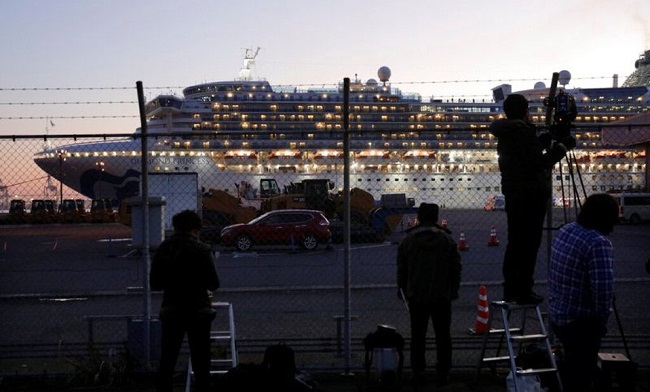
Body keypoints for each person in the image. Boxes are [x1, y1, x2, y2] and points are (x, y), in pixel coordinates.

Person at [489, 93, 576, 304]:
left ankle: (511, 290)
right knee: (529, 245)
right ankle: (524, 291)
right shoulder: (522, 132)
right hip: (531, 195)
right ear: (525, 110)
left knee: (515, 243)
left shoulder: (509, 131)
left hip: (514, 192)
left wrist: (544, 138)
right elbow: (538, 163)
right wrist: (564, 147)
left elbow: (525, 154)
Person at [548, 193, 619, 392]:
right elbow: (603, 292)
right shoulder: (598, 243)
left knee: (574, 369)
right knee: (581, 376)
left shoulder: (567, 230)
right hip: (579, 324)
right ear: (606, 219)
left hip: (558, 315)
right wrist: (601, 323)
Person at [150, 210, 220, 392]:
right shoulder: (202, 250)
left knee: (167, 359)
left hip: (172, 310)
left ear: (175, 227)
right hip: (198, 310)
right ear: (195, 229)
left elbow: (155, 284)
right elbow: (214, 284)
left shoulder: (164, 248)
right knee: (201, 360)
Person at [396, 203, 462, 386]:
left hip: (416, 295)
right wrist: (453, 290)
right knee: (443, 335)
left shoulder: (408, 240)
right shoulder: (447, 240)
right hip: (442, 296)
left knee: (417, 335)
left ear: (419, 216)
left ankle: (418, 371)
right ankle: (443, 371)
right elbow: (456, 268)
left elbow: (401, 269)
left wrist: (401, 289)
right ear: (436, 216)